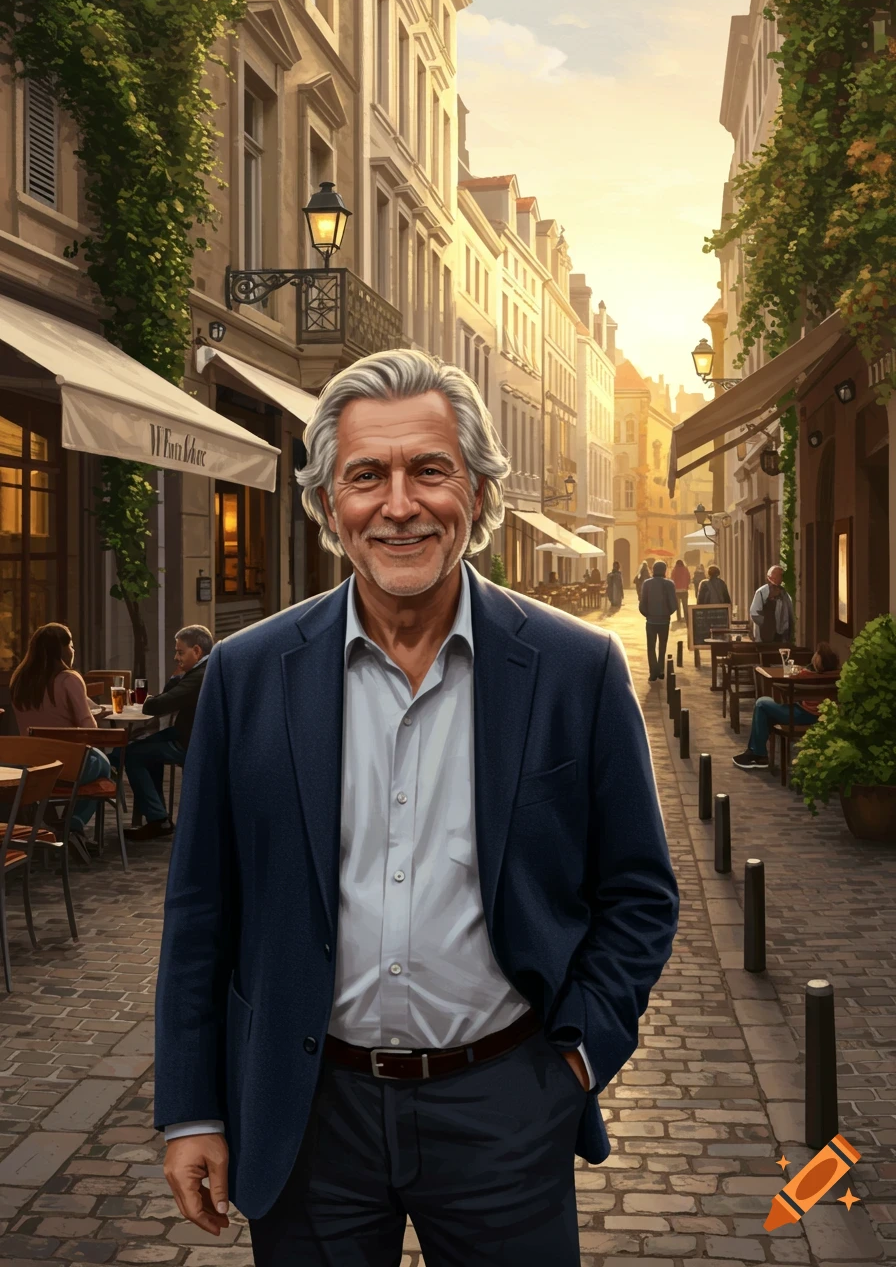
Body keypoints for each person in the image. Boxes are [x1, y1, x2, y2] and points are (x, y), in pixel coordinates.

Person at [155, 349, 679, 1265]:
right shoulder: (246, 676)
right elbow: (203, 910)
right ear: (328, 505)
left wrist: (575, 1061)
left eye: (429, 470)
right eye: (367, 476)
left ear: (476, 494)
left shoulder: (575, 670)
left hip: (504, 1107)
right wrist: (193, 1106)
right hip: (311, 1110)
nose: (399, 504)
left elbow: (639, 893)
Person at [9, 623, 111, 839]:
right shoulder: (69, 679)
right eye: (71, 645)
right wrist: (95, 716)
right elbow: (88, 730)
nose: (73, 650)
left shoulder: (19, 680)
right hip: (68, 764)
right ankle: (72, 825)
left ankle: (53, 820)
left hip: (32, 765)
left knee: (97, 764)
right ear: (62, 649)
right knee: (105, 765)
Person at [119, 625, 213, 842]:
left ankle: (158, 818)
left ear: (197, 651)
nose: (176, 657)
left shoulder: (200, 675)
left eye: (180, 652)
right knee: (137, 748)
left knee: (132, 754)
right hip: (185, 735)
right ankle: (157, 815)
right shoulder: (199, 670)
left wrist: (148, 700)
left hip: (191, 742)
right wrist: (175, 680)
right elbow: (168, 698)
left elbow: (158, 705)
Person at [733, 642, 840, 770]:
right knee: (766, 712)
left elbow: (786, 690)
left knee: (762, 704)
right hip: (825, 718)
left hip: (803, 715)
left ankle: (758, 754)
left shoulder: (805, 675)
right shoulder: (836, 676)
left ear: (818, 660)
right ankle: (756, 753)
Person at [639, 560, 678, 682]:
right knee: (662, 646)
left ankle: (653, 672)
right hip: (664, 621)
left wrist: (648, 615)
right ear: (665, 570)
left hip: (650, 621)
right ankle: (661, 669)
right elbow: (674, 604)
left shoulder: (647, 583)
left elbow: (642, 603)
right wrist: (667, 614)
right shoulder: (670, 584)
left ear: (653, 570)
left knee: (651, 647)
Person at [750, 565, 794, 644]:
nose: (780, 578)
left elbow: (790, 613)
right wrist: (767, 625)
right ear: (770, 577)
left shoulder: (785, 594)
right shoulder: (761, 592)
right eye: (778, 575)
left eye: (781, 575)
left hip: (782, 637)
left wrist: (789, 631)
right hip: (765, 637)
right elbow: (754, 613)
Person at [670, 559, 690, 623]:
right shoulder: (686, 569)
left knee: (677, 606)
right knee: (685, 605)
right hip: (684, 590)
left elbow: (672, 579)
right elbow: (689, 578)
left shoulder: (674, 570)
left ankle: (679, 618)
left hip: (676, 591)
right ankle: (686, 618)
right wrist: (686, 585)